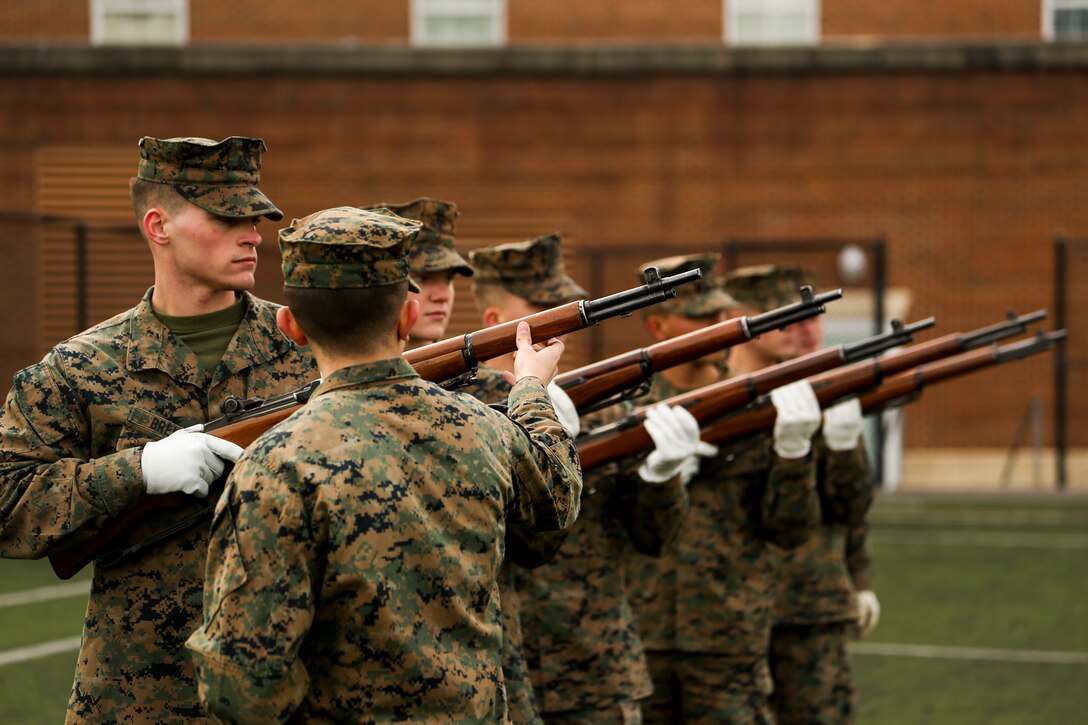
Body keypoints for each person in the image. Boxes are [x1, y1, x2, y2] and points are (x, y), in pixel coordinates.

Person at [185, 206, 584, 723]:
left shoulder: (275, 463)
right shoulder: (482, 427)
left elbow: (237, 685)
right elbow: (557, 495)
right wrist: (530, 389)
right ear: (408, 317)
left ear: (290, 326)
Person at [0, 135, 318, 723]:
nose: (252, 234)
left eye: (254, 218)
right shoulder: (81, 367)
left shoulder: (308, 348)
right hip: (136, 696)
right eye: (227, 217)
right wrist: (138, 471)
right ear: (158, 225)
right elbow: (7, 497)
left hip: (286, 689)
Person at [467, 235, 702, 724]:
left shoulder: (601, 409)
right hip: (495, 676)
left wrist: (662, 478)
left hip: (595, 668)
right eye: (543, 309)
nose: (561, 322)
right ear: (494, 321)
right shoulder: (456, 417)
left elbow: (653, 538)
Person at [628, 254, 823, 724]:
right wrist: (655, 480)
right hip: (639, 634)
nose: (719, 326)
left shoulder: (757, 405)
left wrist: (794, 454)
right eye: (701, 317)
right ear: (658, 326)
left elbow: (790, 530)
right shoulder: (620, 411)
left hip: (730, 637)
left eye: (722, 312)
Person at [759, 265, 878, 724]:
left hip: (815, 597)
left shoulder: (833, 390)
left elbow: (851, 505)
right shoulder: (736, 390)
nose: (807, 331)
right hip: (744, 600)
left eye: (814, 318)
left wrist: (860, 580)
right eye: (792, 320)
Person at [360, 196, 474, 349]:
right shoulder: (330, 367)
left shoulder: (475, 365)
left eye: (448, 279)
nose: (443, 296)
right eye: (422, 278)